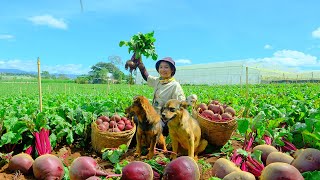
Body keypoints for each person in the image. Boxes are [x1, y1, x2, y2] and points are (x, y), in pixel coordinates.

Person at [134, 57, 186, 135]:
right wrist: (141, 66)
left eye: (166, 67)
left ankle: (153, 142)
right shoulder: (158, 81)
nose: (163, 69)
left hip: (164, 119)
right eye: (160, 67)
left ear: (172, 70)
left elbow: (182, 105)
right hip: (153, 114)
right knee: (136, 118)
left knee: (152, 126)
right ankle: (137, 142)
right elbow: (147, 77)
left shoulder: (175, 85)